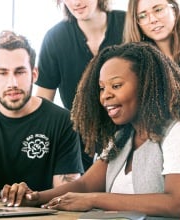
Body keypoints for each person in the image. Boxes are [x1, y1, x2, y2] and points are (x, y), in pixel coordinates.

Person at [0, 42, 180, 217]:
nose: (105, 96)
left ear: (147, 84)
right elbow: (84, 185)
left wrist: (94, 199)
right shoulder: (124, 136)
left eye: (116, 85)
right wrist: (35, 197)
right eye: (102, 88)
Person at [35, 0, 126, 170]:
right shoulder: (55, 38)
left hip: (131, 134)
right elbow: (42, 104)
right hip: (81, 143)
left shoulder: (128, 25)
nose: (76, 2)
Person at [0, 30, 84, 202]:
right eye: (2, 73)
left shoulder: (63, 121)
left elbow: (69, 196)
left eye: (20, 72)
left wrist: (32, 197)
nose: (12, 83)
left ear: (34, 74)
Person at [123, 0, 180, 128]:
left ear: (174, 10)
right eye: (143, 16)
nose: (152, 19)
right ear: (137, 23)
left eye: (158, 10)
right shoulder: (139, 66)